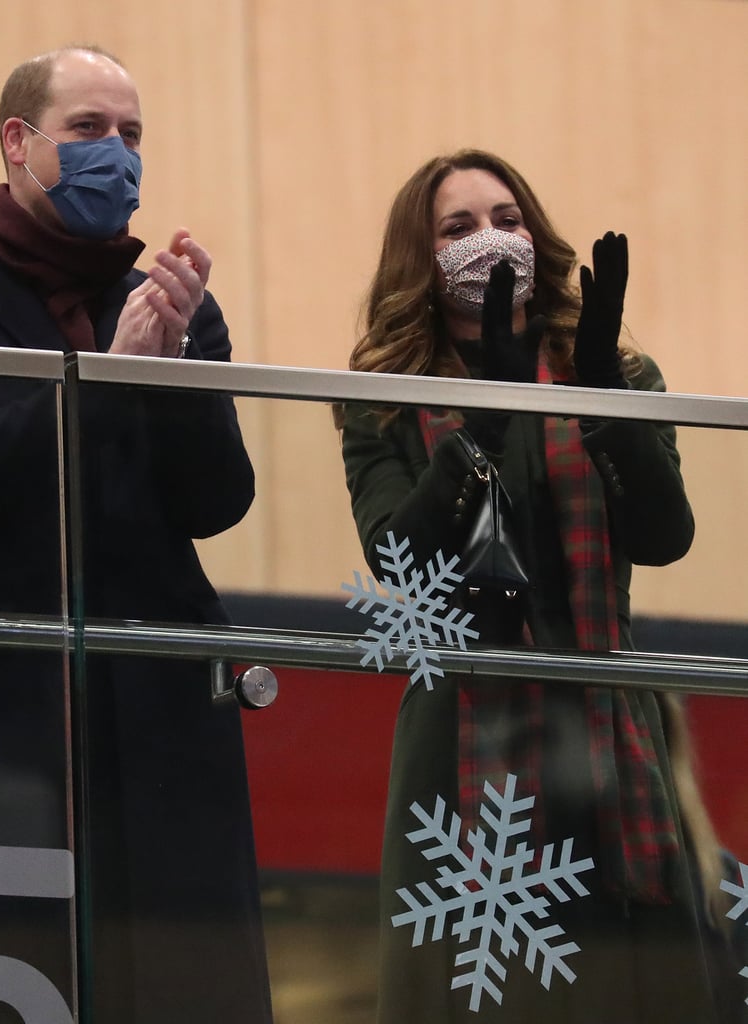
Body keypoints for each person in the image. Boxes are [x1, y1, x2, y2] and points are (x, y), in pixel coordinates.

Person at [0, 45, 272, 1023]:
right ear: (18, 142)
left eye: (131, 136)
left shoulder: (168, 305)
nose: (115, 156)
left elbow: (218, 501)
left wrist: (167, 375)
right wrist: (105, 382)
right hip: (6, 726)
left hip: (166, 724)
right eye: (87, 131)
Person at [337, 149, 745, 1022]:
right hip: (463, 749)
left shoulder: (622, 373)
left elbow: (666, 536)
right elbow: (398, 566)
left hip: (615, 735)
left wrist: (604, 400)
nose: (490, 240)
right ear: (424, 259)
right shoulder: (380, 396)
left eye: (507, 219)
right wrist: (481, 424)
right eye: (458, 227)